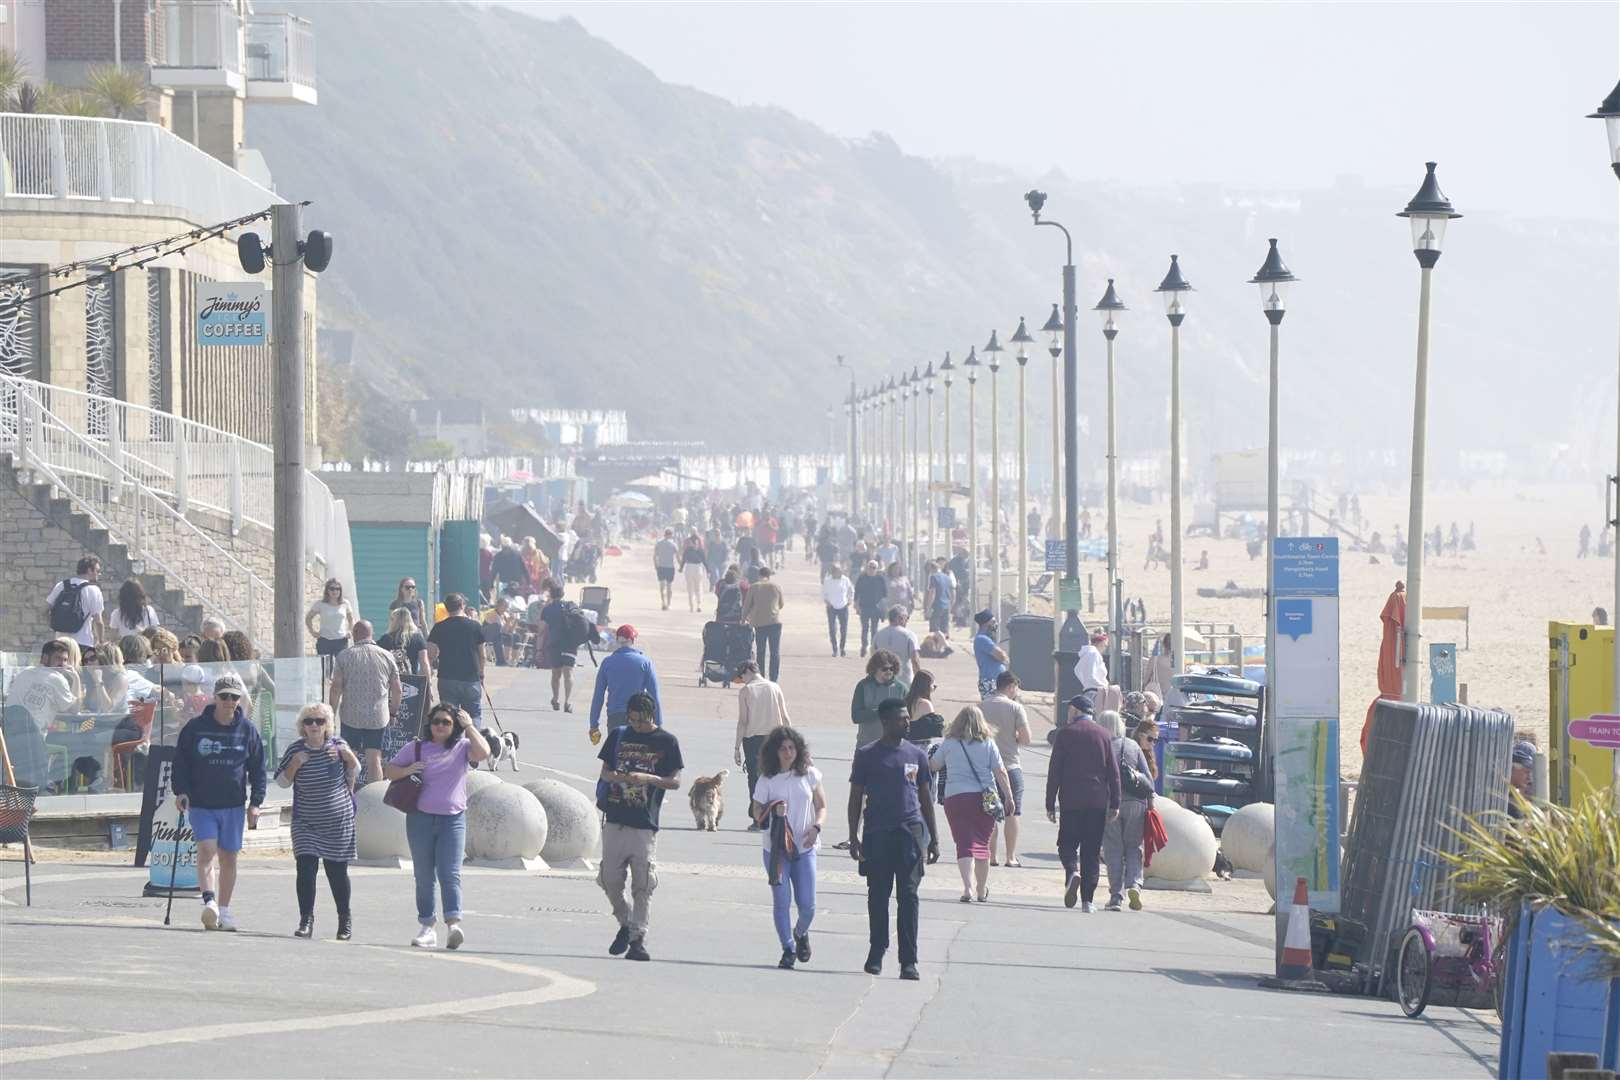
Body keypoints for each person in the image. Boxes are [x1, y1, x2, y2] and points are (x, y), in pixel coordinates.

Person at [847, 697, 940, 980]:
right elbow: (855, 798)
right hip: (877, 834)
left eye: (907, 717)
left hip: (909, 834)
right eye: (901, 718)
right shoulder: (867, 755)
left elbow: (925, 798)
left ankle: (908, 961)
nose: (907, 722)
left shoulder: (917, 755)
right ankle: (877, 951)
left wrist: (933, 838)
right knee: (877, 896)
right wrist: (854, 835)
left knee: (909, 897)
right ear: (886, 722)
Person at [384, 703, 490, 948]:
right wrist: (409, 769)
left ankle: (453, 925)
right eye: (436, 721)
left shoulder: (463, 747)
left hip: (452, 820)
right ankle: (427, 926)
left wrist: (470, 726)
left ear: (454, 726)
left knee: (450, 874)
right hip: (420, 818)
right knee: (423, 875)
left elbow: (483, 753)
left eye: (446, 722)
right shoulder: (416, 747)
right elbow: (390, 770)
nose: (440, 726)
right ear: (429, 724)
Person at [172, 672, 267, 932]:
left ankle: (224, 911)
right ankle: (209, 902)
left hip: (234, 805)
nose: (229, 701)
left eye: (234, 697)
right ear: (214, 697)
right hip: (202, 804)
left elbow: (258, 768)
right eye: (224, 696)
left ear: (239, 700)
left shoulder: (247, 730)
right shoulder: (195, 728)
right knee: (206, 851)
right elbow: (180, 763)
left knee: (229, 858)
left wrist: (256, 802)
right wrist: (180, 791)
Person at [597, 692, 683, 962]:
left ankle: (637, 939)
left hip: (644, 824)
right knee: (609, 880)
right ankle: (625, 922)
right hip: (614, 818)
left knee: (643, 885)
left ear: (651, 716)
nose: (636, 725)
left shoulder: (667, 741)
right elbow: (605, 772)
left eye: (641, 721)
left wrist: (648, 778)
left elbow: (676, 781)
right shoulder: (620, 735)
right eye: (632, 719)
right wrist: (619, 777)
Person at [276, 703, 359, 940]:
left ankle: (344, 920)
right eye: (309, 721)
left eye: (319, 721)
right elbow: (282, 782)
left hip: (337, 822)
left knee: (337, 872)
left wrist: (348, 756)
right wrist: (295, 764)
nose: (314, 725)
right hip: (306, 822)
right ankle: (306, 920)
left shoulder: (338, 746)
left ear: (328, 725)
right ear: (302, 726)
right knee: (306, 868)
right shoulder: (295, 750)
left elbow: (356, 768)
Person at [752, 725, 825, 969]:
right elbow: (756, 810)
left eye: (792, 748)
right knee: (781, 900)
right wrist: (772, 809)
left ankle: (801, 932)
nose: (788, 752)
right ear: (775, 752)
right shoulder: (767, 780)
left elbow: (822, 806)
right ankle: (787, 948)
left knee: (808, 904)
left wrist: (816, 828)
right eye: (783, 748)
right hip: (776, 850)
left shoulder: (809, 774)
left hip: (805, 847)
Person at [930, 705, 1015, 903]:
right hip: (984, 799)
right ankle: (980, 889)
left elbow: (933, 765)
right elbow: (1000, 771)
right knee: (982, 844)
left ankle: (967, 888)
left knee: (964, 843)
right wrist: (1009, 796)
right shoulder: (988, 743)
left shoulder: (950, 742)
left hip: (956, 797)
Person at [1046, 703, 1120, 913]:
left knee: (1066, 844)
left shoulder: (1065, 734)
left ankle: (1071, 872)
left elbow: (1055, 770)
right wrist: (1115, 802)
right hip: (1097, 801)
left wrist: (1050, 803)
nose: (1068, 714)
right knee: (1091, 851)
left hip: (1070, 800)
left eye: (1070, 710)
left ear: (1077, 711)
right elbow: (1112, 772)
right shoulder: (1104, 735)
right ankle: (1088, 900)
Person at [328, 621, 402, 784]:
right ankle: (374, 801)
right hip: (378, 717)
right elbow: (397, 689)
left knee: (350, 756)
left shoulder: (344, 656)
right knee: (374, 759)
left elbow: (335, 689)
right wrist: (393, 712)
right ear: (372, 633)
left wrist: (331, 715)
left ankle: (348, 797)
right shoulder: (387, 656)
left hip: (350, 715)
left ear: (354, 633)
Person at [1097, 710, 1151, 912]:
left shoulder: (1102, 746)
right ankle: (1135, 884)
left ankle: (1116, 896)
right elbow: (1149, 780)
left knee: (1113, 849)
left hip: (1111, 803)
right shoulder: (1133, 745)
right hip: (1136, 803)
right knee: (1134, 847)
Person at [981, 671, 1032, 867]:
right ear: (1011, 686)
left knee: (990, 812)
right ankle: (1010, 857)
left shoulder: (982, 706)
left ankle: (991, 856)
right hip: (1011, 765)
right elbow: (1026, 738)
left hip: (987, 767)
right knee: (1013, 812)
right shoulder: (1016, 708)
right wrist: (1014, 739)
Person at [733, 659, 791, 827]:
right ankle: (778, 817)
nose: (741, 681)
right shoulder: (775, 687)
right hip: (775, 739)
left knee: (756, 780)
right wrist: (792, 743)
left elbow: (743, 722)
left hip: (753, 741)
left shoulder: (746, 691)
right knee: (776, 777)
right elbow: (785, 718)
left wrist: (737, 747)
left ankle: (758, 819)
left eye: (741, 677)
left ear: (746, 672)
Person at [590, 625, 662, 739]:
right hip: (640, 718)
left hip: (615, 717)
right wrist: (658, 724)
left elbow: (598, 696)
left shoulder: (607, 663)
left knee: (617, 753)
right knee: (637, 753)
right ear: (632, 640)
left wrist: (594, 725)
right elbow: (654, 695)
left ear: (617, 640)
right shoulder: (645, 662)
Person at [427, 593, 485, 722]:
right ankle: (473, 740)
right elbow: (482, 655)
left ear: (447, 608)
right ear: (462, 605)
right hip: (470, 678)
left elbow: (430, 653)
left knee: (448, 716)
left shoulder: (439, 627)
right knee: (473, 715)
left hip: (447, 677)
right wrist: (481, 672)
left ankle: (452, 742)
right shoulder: (475, 626)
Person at [850, 648, 908, 748]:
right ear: (875, 668)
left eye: (892, 668)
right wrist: (880, 711)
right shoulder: (863, 686)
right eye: (885, 669)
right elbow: (856, 716)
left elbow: (909, 715)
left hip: (893, 745)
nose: (889, 671)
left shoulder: (901, 688)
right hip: (867, 744)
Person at [44, 555, 105, 649]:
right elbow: (98, 621)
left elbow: (44, 610)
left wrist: (55, 626)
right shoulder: (93, 590)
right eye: (97, 571)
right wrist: (100, 641)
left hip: (60, 642)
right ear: (89, 570)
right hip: (83, 642)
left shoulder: (61, 585)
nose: (99, 574)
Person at [537, 583, 579, 712]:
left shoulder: (547, 609)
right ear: (563, 594)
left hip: (554, 644)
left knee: (556, 673)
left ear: (551, 595)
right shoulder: (571, 606)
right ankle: (568, 701)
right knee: (569, 672)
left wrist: (539, 650)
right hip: (571, 644)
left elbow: (541, 630)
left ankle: (556, 699)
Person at [742, 565, 785, 682]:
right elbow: (781, 604)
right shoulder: (776, 586)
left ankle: (761, 677)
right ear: (769, 575)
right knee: (775, 652)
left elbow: (746, 606)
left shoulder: (754, 587)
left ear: (759, 575)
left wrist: (743, 619)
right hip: (775, 622)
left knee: (761, 651)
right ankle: (774, 679)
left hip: (759, 623)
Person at [304, 579, 356, 657]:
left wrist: (350, 631)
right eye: (332, 589)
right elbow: (308, 618)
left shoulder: (345, 603)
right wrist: (313, 632)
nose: (335, 591)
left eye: (337, 589)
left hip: (341, 641)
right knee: (325, 667)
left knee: (341, 666)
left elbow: (351, 619)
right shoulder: (320, 604)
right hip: (325, 641)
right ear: (327, 590)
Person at [873, 606, 921, 685]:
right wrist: (920, 679)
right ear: (900, 618)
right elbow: (915, 661)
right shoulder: (909, 635)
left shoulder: (878, 635)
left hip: (883, 681)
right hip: (904, 680)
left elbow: (874, 660)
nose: (907, 621)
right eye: (907, 618)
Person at [379, 606, 431, 677]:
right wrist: (429, 684)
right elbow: (424, 663)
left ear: (395, 621)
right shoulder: (418, 638)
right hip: (411, 682)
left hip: (390, 682)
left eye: (392, 619)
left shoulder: (385, 639)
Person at [854, 560, 889, 657]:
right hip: (864, 607)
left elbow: (885, 594)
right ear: (867, 567)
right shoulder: (862, 577)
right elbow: (856, 592)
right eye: (870, 567)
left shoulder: (880, 578)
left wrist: (884, 607)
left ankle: (873, 648)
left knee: (874, 629)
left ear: (877, 569)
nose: (871, 569)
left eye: (874, 567)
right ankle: (864, 646)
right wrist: (856, 605)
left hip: (876, 607)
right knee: (864, 628)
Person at [972, 610, 1008, 699]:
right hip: (990, 682)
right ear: (985, 623)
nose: (995, 625)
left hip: (997, 681)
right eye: (993, 622)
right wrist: (1004, 656)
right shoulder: (982, 639)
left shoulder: (987, 639)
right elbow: (1002, 656)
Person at [822, 563, 854, 657]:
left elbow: (851, 590)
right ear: (833, 572)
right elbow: (824, 593)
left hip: (843, 606)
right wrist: (827, 602)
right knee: (832, 629)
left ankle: (842, 648)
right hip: (831, 607)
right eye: (836, 571)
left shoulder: (845, 579)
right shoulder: (828, 580)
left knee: (843, 629)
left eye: (840, 571)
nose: (839, 573)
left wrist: (850, 599)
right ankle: (835, 649)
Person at [925, 557, 955, 637]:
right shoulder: (947, 578)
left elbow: (932, 593)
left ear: (931, 569)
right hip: (947, 605)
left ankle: (945, 645)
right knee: (944, 629)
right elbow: (952, 593)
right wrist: (951, 604)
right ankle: (942, 646)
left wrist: (928, 607)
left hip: (937, 605)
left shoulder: (933, 577)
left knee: (935, 629)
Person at [680, 531, 708, 611]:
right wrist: (681, 567)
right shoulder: (693, 550)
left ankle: (696, 605)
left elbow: (704, 561)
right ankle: (694, 605)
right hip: (693, 567)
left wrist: (708, 570)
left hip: (694, 567)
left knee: (695, 587)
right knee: (694, 588)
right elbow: (684, 560)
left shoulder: (693, 550)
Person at [653, 528, 679, 610]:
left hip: (661, 566)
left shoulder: (659, 543)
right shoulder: (673, 544)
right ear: (671, 535)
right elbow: (677, 556)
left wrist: (655, 565)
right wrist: (681, 565)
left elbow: (655, 556)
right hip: (670, 567)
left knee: (662, 586)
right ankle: (669, 604)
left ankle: (663, 602)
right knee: (669, 586)